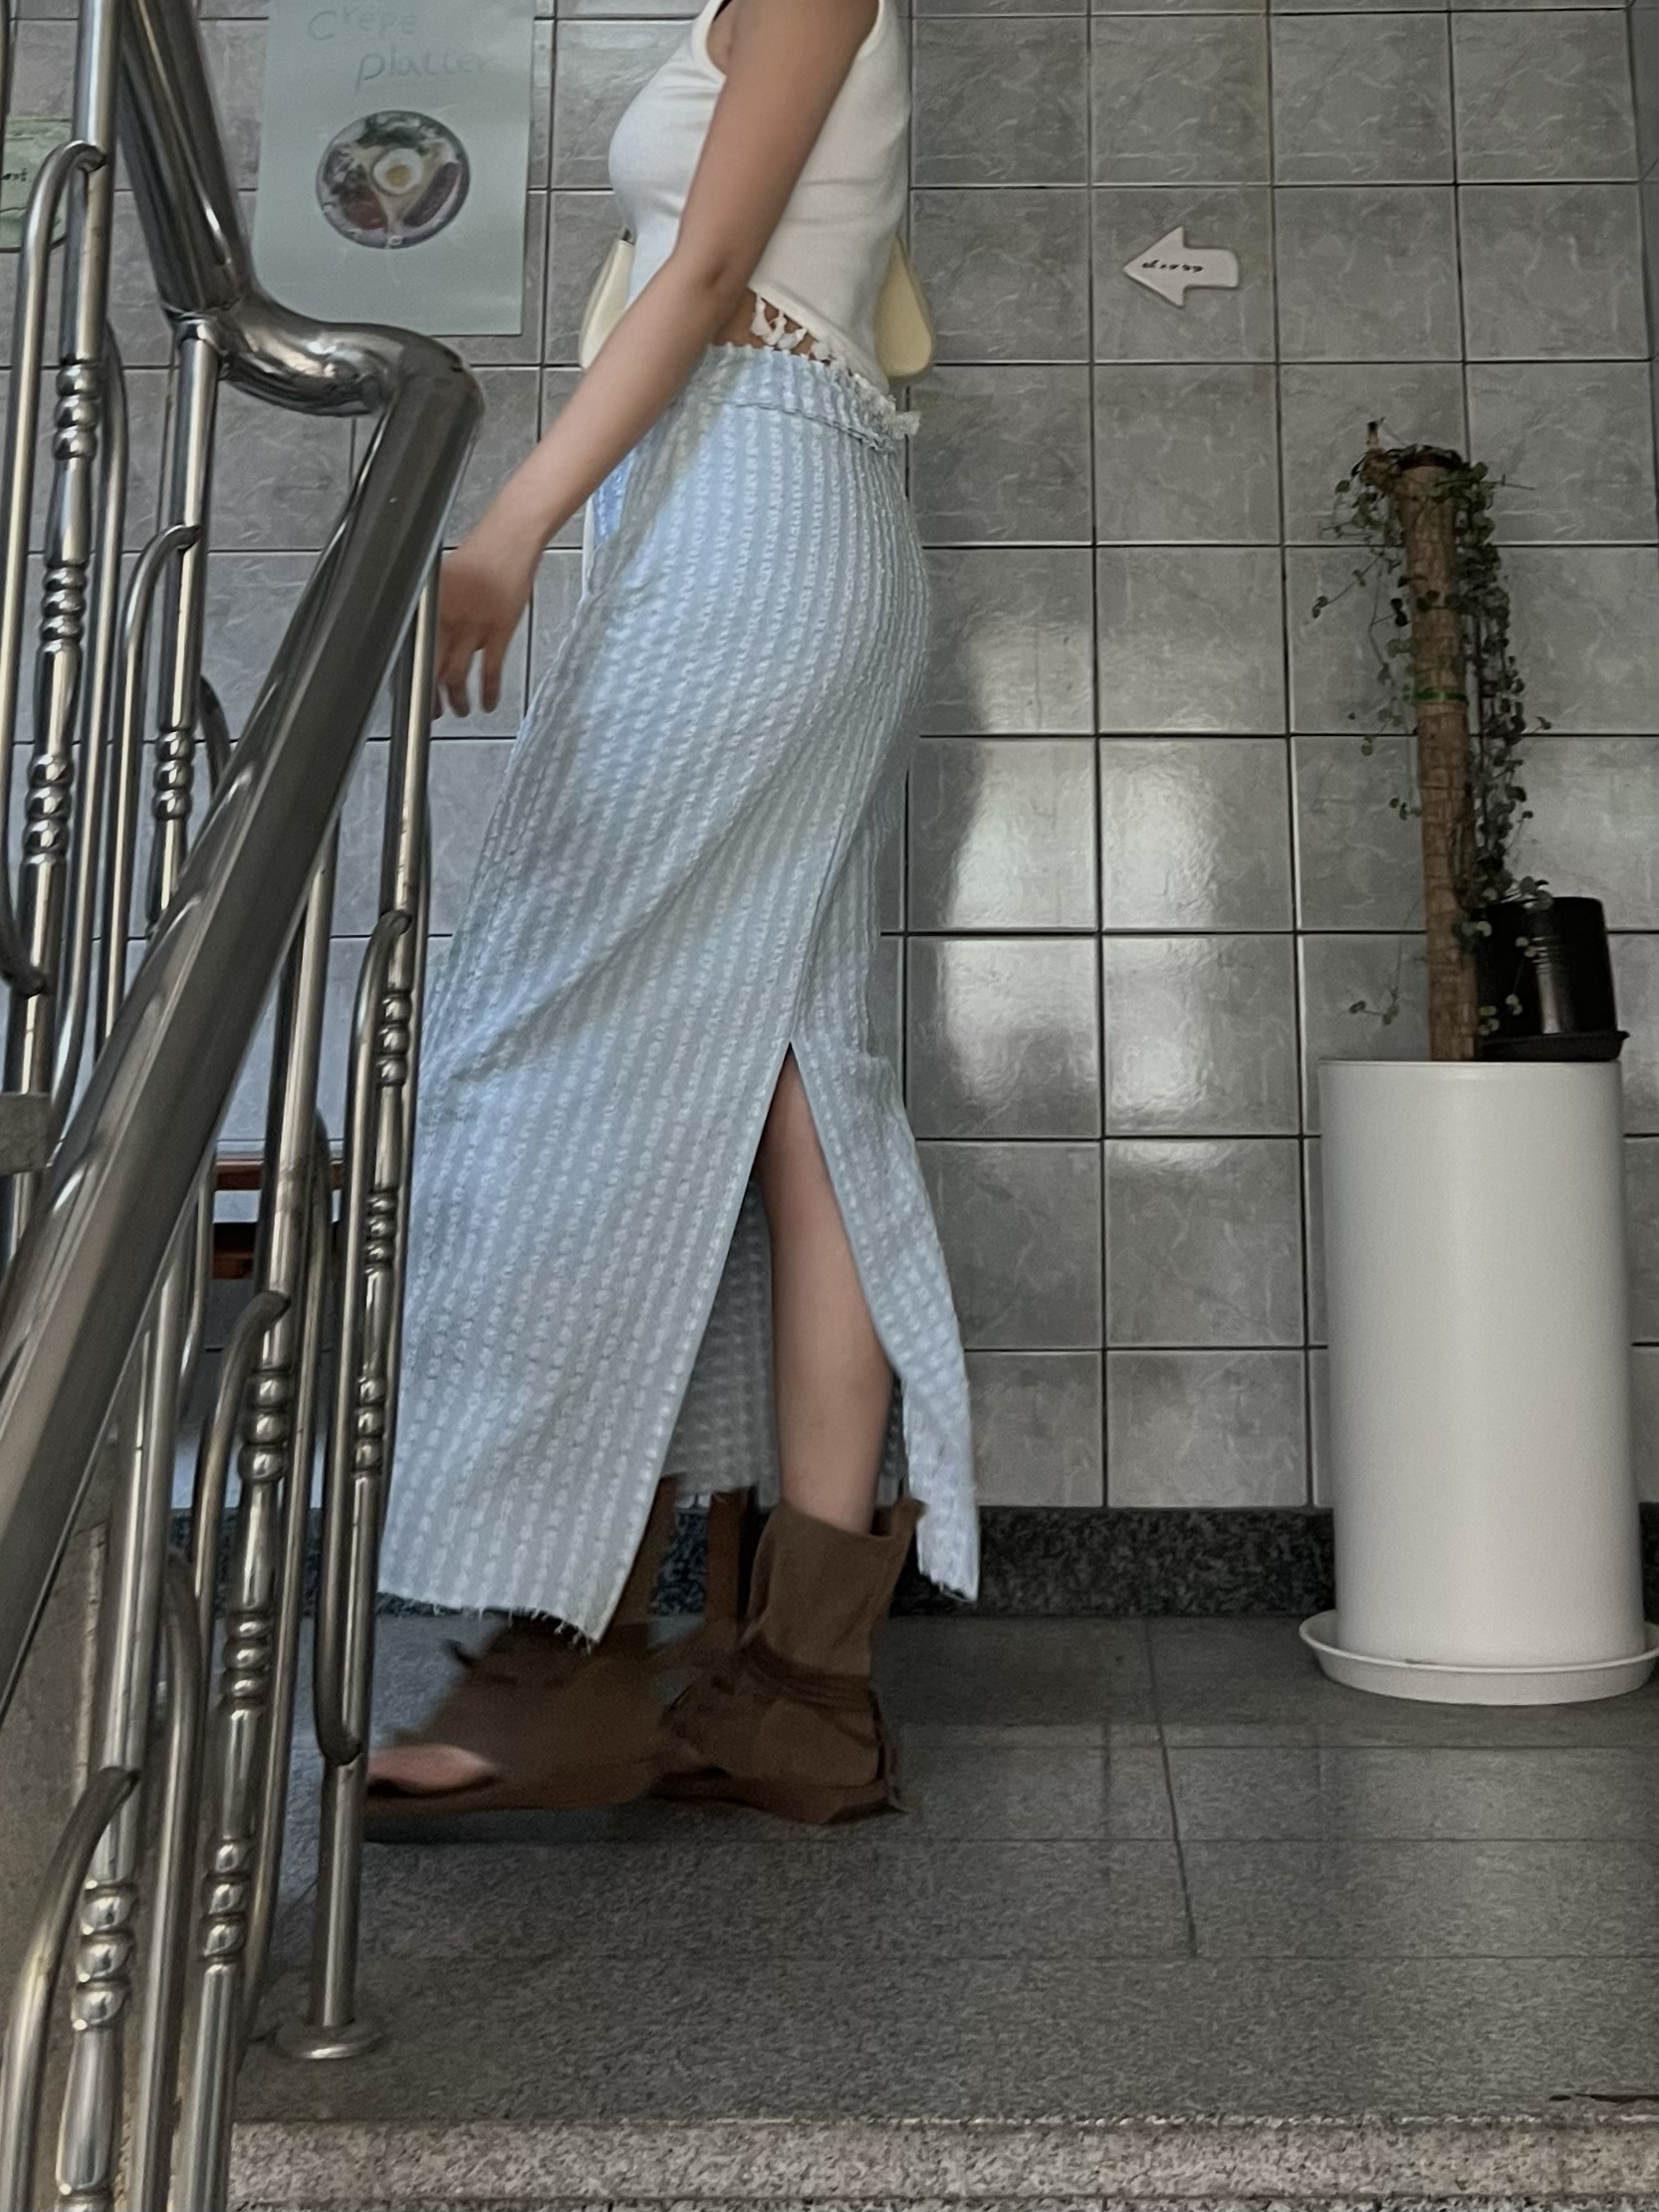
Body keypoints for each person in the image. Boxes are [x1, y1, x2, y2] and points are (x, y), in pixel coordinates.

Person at [366, 0, 978, 1830]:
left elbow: (710, 273)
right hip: (758, 504)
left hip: (757, 500)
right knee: (791, 1081)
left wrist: (510, 527)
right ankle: (798, 1693)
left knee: (554, 1055)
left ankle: (557, 1655)